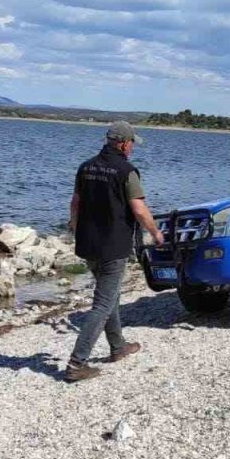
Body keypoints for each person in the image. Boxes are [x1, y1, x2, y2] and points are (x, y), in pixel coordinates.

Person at [65, 121, 165, 382]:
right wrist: (155, 233)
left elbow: (75, 204)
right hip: (113, 246)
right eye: (131, 143)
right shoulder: (126, 171)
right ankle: (77, 363)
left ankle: (118, 346)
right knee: (103, 304)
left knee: (110, 296)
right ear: (123, 144)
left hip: (88, 244)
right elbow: (139, 210)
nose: (132, 147)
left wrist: (75, 229)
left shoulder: (85, 167)